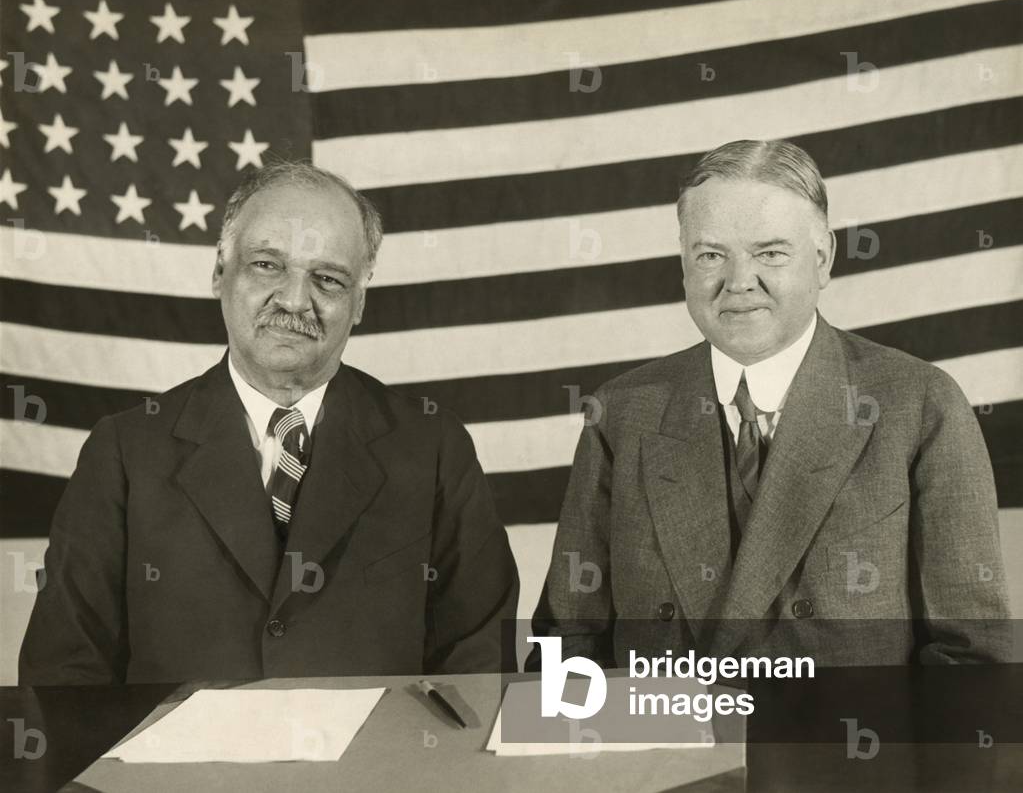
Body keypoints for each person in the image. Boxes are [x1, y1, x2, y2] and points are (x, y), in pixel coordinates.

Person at [20, 162, 519, 684]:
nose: (295, 300)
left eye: (327, 278)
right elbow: (63, 671)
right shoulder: (124, 451)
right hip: (181, 766)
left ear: (359, 303)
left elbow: (483, 657)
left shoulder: (433, 447)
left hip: (374, 765)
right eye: (266, 265)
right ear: (220, 273)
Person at [530, 140, 1010, 666]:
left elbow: (970, 658)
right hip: (668, 743)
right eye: (711, 254)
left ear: (823, 259)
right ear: (683, 265)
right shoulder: (621, 414)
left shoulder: (919, 405)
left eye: (770, 253)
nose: (739, 282)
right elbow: (567, 643)